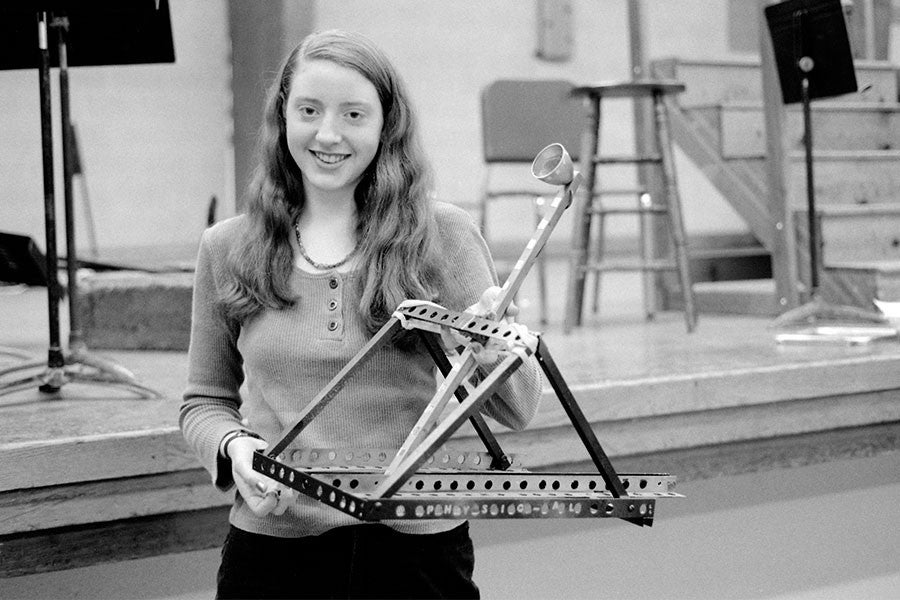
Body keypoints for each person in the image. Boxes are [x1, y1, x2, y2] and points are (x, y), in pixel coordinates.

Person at [179, 28, 543, 599]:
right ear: (283, 116)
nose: (328, 134)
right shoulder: (227, 247)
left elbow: (517, 408)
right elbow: (205, 401)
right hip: (274, 551)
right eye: (309, 110)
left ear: (385, 126)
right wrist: (235, 448)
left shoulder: (443, 235)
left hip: (417, 555)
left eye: (353, 114)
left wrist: (493, 349)